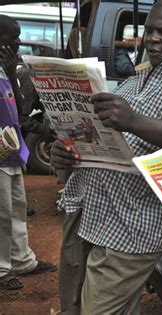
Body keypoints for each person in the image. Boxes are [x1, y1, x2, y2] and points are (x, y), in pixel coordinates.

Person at [50, 1, 162, 314]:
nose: (152, 38)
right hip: (87, 208)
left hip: (133, 222)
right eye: (148, 30)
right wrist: (66, 153)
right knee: (73, 306)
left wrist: (134, 121)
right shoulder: (135, 81)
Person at [0, 15, 57, 291]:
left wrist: (11, 73)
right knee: (1, 214)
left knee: (17, 209)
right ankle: (1, 269)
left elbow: (20, 110)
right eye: (13, 37)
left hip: (10, 154)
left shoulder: (7, 71)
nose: (18, 42)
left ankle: (22, 260)